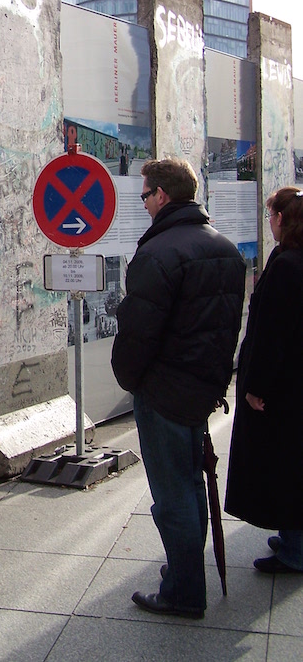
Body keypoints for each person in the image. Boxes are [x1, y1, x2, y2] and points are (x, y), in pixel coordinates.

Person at [111, 158, 246, 619]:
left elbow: (138, 334)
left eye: (144, 195)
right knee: (190, 486)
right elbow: (227, 326)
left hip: (164, 392)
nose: (144, 202)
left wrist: (131, 381)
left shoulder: (159, 253)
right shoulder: (225, 249)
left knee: (173, 497)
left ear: (162, 196)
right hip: (200, 389)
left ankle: (184, 591)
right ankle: (184, 574)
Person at [225, 186, 303, 574]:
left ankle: (296, 548)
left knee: (287, 464)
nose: (269, 221)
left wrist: (256, 386)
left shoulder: (288, 266)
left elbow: (273, 333)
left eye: (272, 214)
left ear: (284, 220)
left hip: (285, 388)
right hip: (294, 384)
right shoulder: (290, 258)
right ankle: (292, 535)